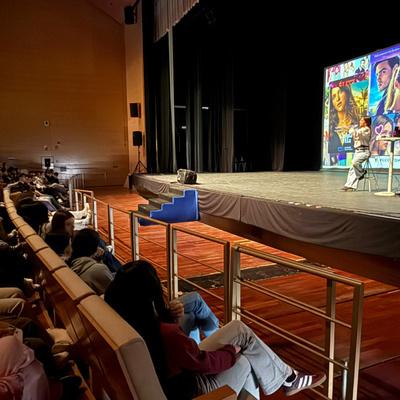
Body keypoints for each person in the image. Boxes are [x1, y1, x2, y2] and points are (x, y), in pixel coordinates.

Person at [105, 260, 326, 400]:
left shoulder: (127, 320)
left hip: (174, 378)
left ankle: (288, 378)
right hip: (190, 388)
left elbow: (183, 353)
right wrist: (230, 352)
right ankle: (288, 379)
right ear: (150, 297)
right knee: (244, 361)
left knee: (238, 329)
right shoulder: (165, 333)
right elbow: (200, 362)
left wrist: (167, 317)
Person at [341, 116, 372, 191]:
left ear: (366, 122)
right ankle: (349, 185)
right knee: (352, 168)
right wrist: (348, 128)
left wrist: (350, 128)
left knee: (355, 163)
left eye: (361, 120)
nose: (360, 121)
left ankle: (362, 172)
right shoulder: (360, 129)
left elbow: (357, 133)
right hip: (357, 151)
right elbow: (355, 135)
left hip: (364, 151)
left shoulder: (367, 129)